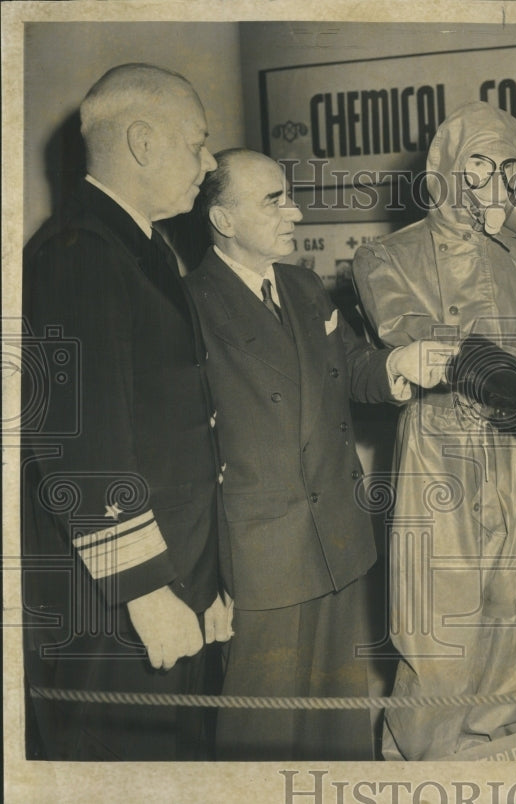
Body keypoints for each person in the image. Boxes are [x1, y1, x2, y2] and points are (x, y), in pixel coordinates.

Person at [184, 148, 453, 760]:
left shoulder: (303, 286)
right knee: (264, 734)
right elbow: (184, 453)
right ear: (223, 220)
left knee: (337, 727)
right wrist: (202, 580)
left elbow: (350, 368)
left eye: (290, 195)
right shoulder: (188, 303)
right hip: (259, 556)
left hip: (338, 537)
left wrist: (396, 365)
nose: (296, 213)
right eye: (273, 199)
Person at [353, 101, 516, 761]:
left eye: (505, 165)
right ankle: (426, 764)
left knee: (514, 618)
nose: (490, 180)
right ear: (443, 172)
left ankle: (507, 756)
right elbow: (429, 347)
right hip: (442, 460)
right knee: (437, 630)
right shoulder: (387, 256)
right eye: (476, 164)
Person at [22, 63, 229, 760]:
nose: (209, 163)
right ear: (142, 141)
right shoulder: (75, 255)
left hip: (173, 584)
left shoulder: (144, 246)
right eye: (198, 143)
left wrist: (205, 584)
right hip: (111, 610)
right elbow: (78, 447)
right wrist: (146, 594)